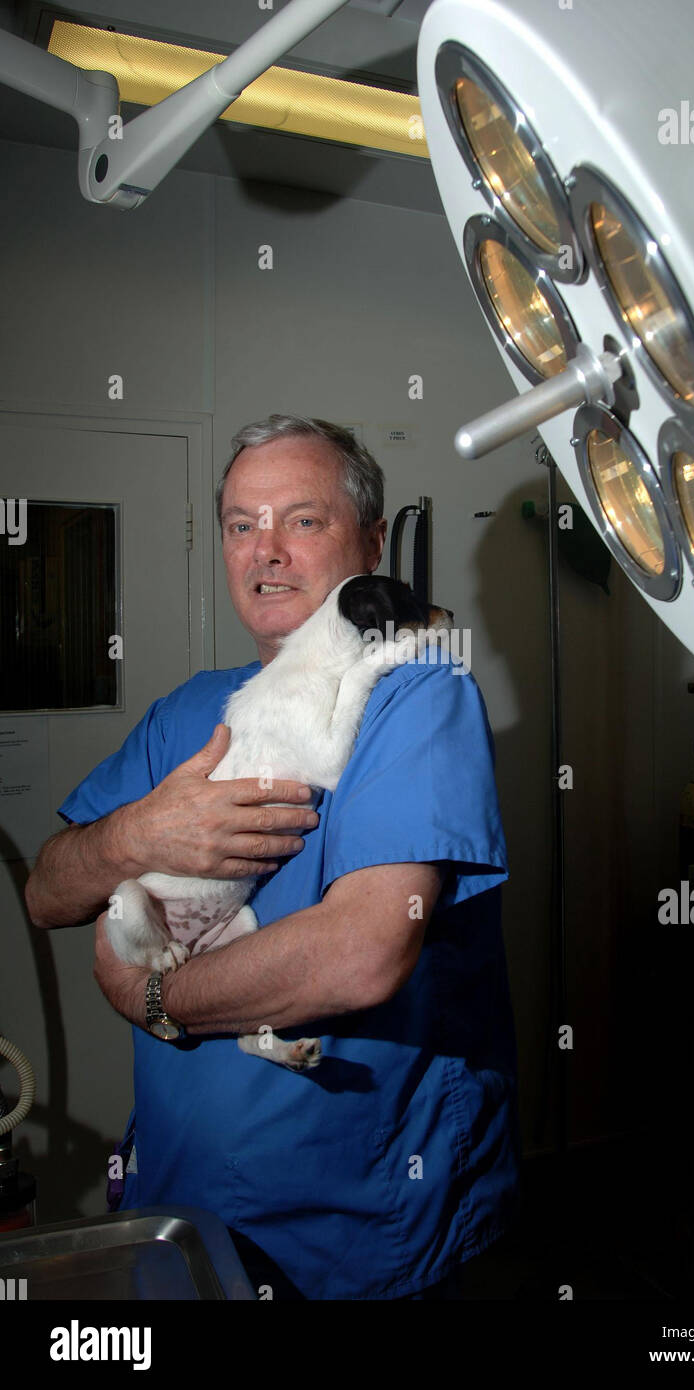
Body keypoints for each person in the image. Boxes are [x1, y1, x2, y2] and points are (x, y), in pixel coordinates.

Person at [25, 415, 521, 1301]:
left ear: (371, 541)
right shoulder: (188, 713)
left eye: (303, 520)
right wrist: (137, 836)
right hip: (181, 1213)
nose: (268, 551)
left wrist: (152, 996)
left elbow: (362, 953)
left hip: (361, 1239)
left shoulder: (417, 692)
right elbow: (47, 892)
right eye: (242, 524)